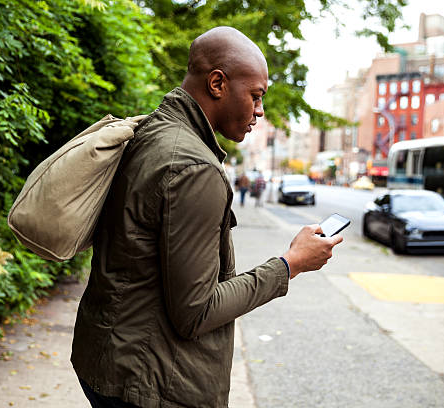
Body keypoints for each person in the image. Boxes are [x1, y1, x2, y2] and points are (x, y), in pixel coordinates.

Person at [71, 26, 343, 408]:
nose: (259, 111)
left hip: (107, 358)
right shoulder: (194, 168)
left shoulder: (152, 131)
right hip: (150, 383)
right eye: (256, 96)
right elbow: (196, 313)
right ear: (217, 83)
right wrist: (290, 264)